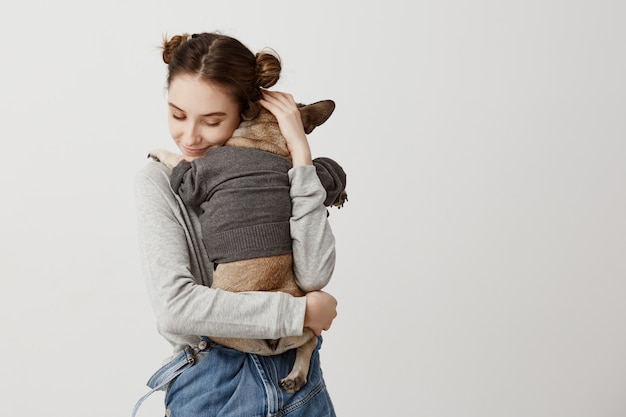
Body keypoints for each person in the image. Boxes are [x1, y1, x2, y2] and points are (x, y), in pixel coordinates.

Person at [132, 32, 340, 417]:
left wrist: (300, 157)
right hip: (215, 387)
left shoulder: (279, 174)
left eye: (212, 121)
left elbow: (313, 276)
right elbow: (177, 308)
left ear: (246, 114)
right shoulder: (160, 180)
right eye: (177, 115)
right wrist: (299, 314)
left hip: (298, 380)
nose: (189, 137)